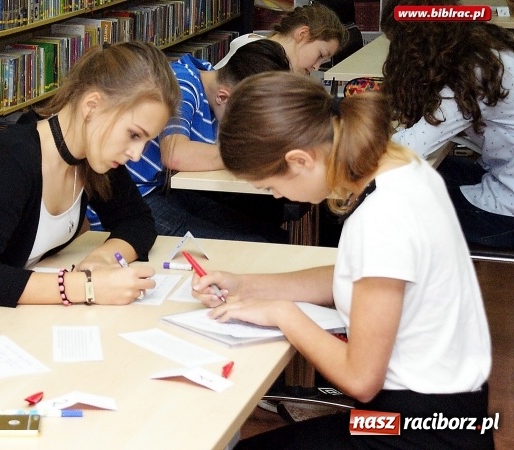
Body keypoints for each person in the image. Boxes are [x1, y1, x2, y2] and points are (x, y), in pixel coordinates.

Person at [195, 72, 492, 449]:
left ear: (300, 160)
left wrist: (285, 314)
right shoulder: (401, 166)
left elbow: (360, 379)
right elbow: (360, 277)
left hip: (418, 430)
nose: (274, 196)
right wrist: (246, 284)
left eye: (269, 185)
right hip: (445, 413)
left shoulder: (382, 217)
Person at [0, 41, 180, 317]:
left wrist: (100, 260)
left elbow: (138, 222)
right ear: (92, 106)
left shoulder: (94, 154)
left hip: (12, 319)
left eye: (146, 141)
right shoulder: (11, 161)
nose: (137, 154)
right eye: (134, 134)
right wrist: (86, 286)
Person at [88, 39, 294, 242]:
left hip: (159, 190)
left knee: (271, 235)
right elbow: (174, 153)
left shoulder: (208, 74)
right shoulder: (184, 86)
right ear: (223, 97)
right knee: (257, 244)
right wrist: (245, 155)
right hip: (134, 198)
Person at [382, 0, 514, 249]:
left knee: (389, 200)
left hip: (506, 213)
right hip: (502, 176)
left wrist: (362, 134)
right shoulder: (487, 52)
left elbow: (411, 147)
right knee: (435, 171)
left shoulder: (476, 73)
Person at [214, 3, 347, 75]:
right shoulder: (257, 59)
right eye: (320, 55)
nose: (316, 67)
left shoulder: (257, 45)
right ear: (302, 34)